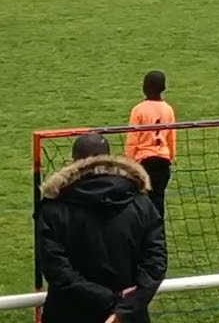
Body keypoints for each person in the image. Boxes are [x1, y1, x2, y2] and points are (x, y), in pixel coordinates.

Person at [36, 132, 167, 323]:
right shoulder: (141, 203)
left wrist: (111, 300)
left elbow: (57, 270)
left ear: (74, 161)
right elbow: (155, 263)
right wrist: (124, 306)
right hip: (127, 316)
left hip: (69, 313)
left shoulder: (54, 207)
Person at [126, 71, 177, 219]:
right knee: (158, 201)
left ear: (144, 87)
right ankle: (159, 237)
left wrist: (129, 162)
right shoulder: (168, 109)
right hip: (162, 161)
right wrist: (171, 156)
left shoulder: (139, 110)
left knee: (141, 202)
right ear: (163, 88)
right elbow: (171, 135)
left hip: (144, 161)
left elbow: (133, 138)